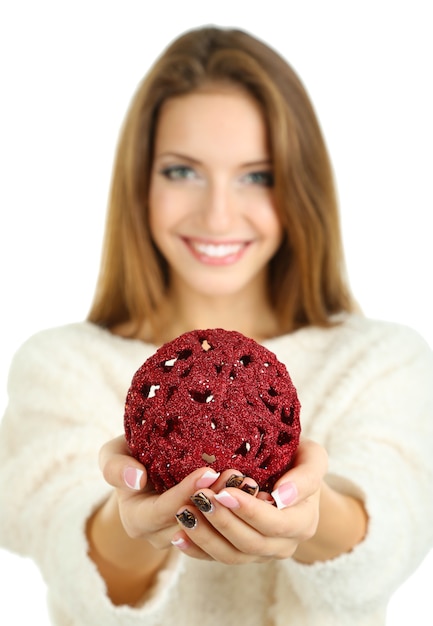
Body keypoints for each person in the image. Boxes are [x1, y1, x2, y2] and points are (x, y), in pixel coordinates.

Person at [1, 25, 432, 626]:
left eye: (257, 175)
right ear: (140, 183)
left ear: (300, 190)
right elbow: (63, 549)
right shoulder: (58, 365)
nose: (218, 214)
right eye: (183, 171)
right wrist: (132, 524)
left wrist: (310, 515)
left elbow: (398, 529)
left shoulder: (383, 358)